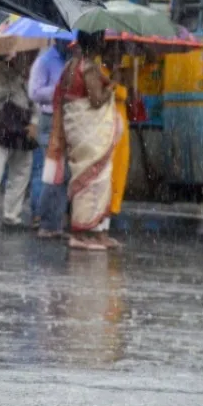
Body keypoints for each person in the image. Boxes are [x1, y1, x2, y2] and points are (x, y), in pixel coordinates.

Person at [44, 32, 123, 251]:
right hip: (88, 131)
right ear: (96, 43)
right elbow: (96, 100)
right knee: (92, 180)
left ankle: (94, 233)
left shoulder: (71, 64)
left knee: (85, 179)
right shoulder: (87, 66)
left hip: (77, 129)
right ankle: (82, 233)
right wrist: (113, 85)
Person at [0, 51, 37, 234]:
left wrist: (35, 123)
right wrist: (17, 79)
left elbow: (35, 101)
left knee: (21, 171)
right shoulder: (0, 69)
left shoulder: (29, 72)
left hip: (24, 125)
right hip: (2, 123)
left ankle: (11, 215)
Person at [29, 40, 72, 239]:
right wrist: (58, 90)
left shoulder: (70, 61)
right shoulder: (44, 61)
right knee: (50, 173)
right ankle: (44, 221)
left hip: (66, 117)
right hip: (49, 119)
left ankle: (56, 223)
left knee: (63, 174)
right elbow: (34, 92)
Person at [102, 46, 132, 249]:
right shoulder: (100, 72)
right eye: (113, 54)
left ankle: (108, 220)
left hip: (122, 130)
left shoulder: (123, 73)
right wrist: (113, 82)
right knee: (105, 174)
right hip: (107, 126)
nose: (117, 58)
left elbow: (126, 95)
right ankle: (100, 224)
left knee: (118, 173)